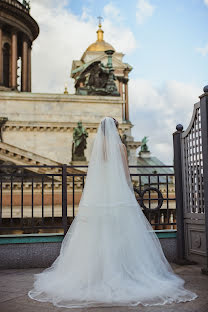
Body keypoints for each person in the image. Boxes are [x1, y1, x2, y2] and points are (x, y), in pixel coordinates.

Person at [28, 116, 198, 308]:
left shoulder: (97, 149)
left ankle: (95, 275)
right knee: (121, 235)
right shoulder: (120, 148)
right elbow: (125, 174)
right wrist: (128, 191)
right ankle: (122, 271)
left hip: (98, 198)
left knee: (96, 235)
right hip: (117, 197)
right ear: (116, 130)